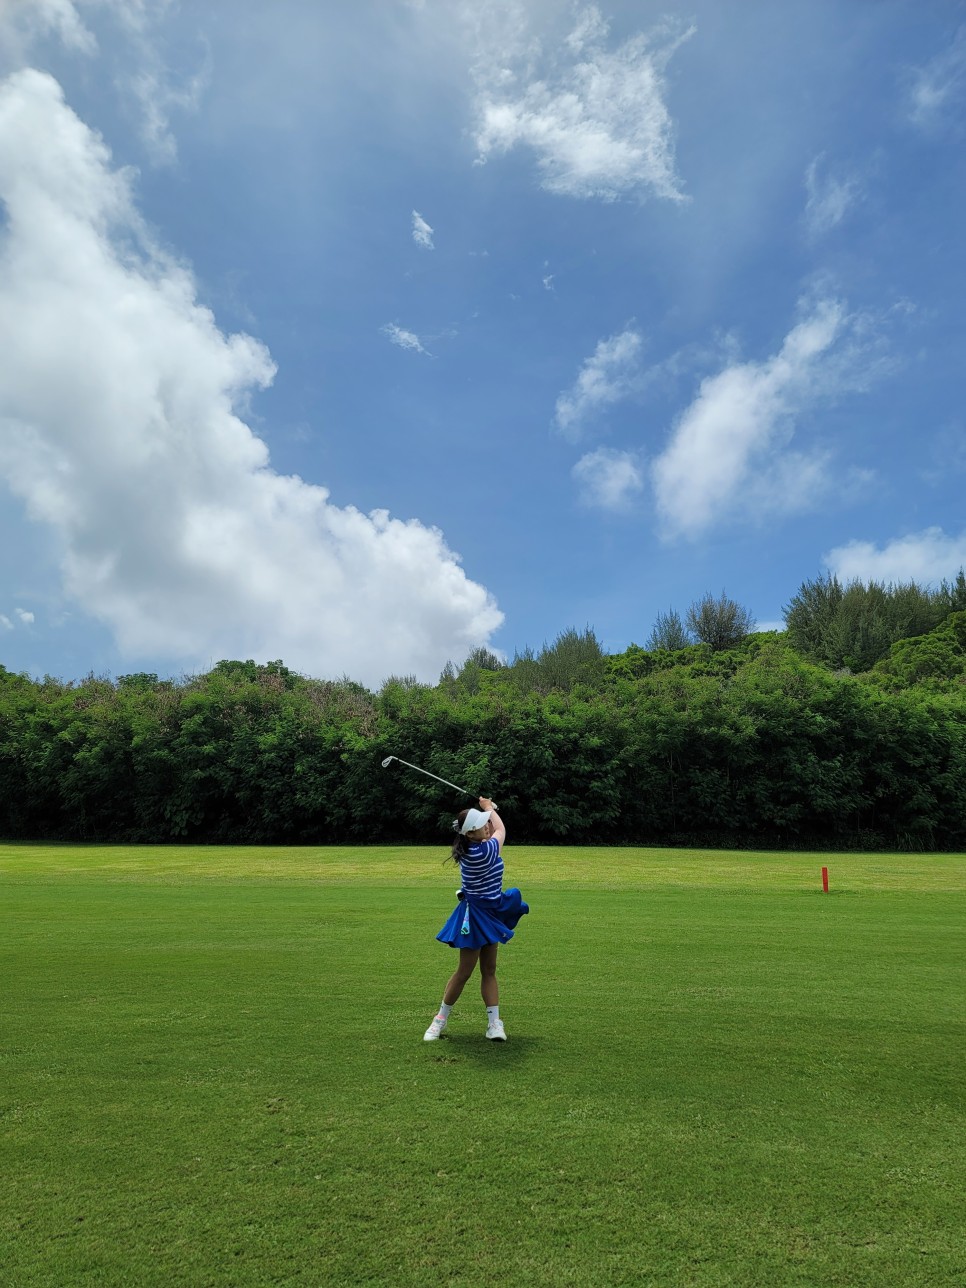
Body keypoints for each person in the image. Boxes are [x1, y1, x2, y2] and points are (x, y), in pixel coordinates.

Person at [423, 797, 528, 1043]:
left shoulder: (470, 846)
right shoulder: (484, 850)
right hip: (474, 916)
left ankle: (494, 1024)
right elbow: (502, 829)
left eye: (486, 823)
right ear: (471, 833)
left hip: (489, 913)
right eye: (483, 824)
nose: (488, 826)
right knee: (464, 971)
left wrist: (486, 812)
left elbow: (494, 829)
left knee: (489, 969)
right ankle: (439, 1020)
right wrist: (489, 808)